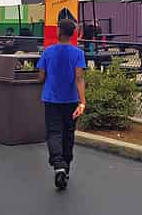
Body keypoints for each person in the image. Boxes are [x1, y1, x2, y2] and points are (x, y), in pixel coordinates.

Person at [37, 19, 87, 190]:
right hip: (71, 99)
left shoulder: (48, 51)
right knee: (68, 133)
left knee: (54, 132)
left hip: (51, 99)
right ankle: (66, 165)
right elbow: (79, 78)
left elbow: (41, 77)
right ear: (72, 34)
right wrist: (82, 101)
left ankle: (58, 163)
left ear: (59, 32)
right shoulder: (78, 53)